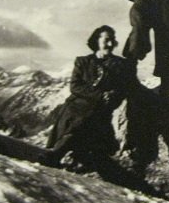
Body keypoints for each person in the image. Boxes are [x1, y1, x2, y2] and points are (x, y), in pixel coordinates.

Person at [44, 25, 136, 166]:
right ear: (96, 41)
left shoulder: (119, 65)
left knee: (91, 131)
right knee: (78, 126)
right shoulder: (83, 62)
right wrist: (100, 94)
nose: (110, 44)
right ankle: (55, 156)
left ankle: (67, 158)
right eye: (106, 40)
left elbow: (124, 88)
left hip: (101, 111)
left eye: (112, 40)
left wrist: (112, 96)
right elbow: (75, 86)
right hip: (76, 109)